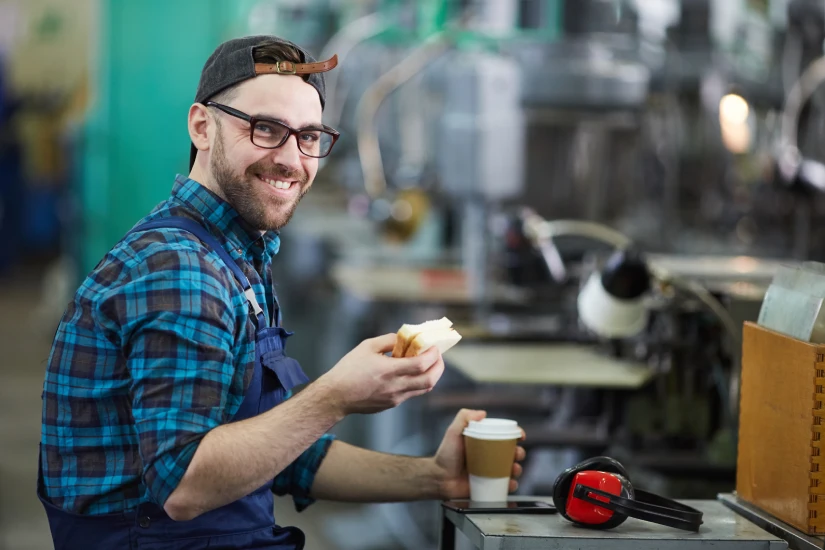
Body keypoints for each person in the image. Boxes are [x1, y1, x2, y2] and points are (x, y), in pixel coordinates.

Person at [37, 35, 526, 549]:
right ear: (202, 127)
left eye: (309, 137)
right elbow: (183, 482)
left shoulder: (238, 255)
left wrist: (435, 478)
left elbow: (286, 448)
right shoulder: (180, 268)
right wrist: (336, 396)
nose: (292, 159)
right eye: (266, 129)